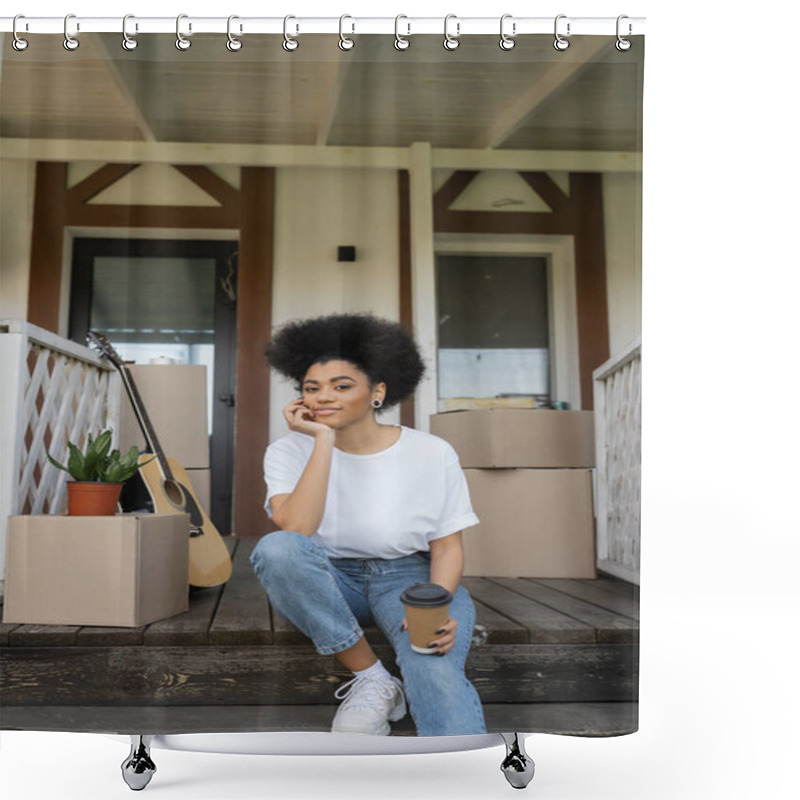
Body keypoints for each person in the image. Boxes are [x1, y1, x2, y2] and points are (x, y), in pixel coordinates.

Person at [250, 312, 487, 737]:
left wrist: (439, 605)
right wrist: (322, 440)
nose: (324, 397)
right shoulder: (287, 452)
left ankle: (461, 775)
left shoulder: (431, 452)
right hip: (329, 577)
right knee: (276, 548)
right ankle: (375, 679)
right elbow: (296, 530)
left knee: (432, 666)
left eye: (342, 386)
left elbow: (448, 547)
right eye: (312, 388)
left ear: (377, 392)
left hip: (408, 579)